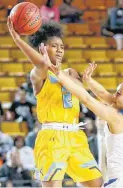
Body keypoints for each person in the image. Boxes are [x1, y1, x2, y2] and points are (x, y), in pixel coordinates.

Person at [43, 54, 123, 187]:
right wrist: (89, 80)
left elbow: (86, 99)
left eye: (119, 94)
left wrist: (60, 76)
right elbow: (104, 94)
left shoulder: (116, 117)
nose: (114, 96)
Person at [7, 18, 103, 187]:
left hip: (76, 136)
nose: (59, 50)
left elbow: (83, 93)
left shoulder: (70, 73)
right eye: (54, 46)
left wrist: (61, 74)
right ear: (42, 48)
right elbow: (41, 64)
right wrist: (17, 40)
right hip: (52, 137)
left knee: (96, 183)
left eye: (61, 46)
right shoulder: (38, 75)